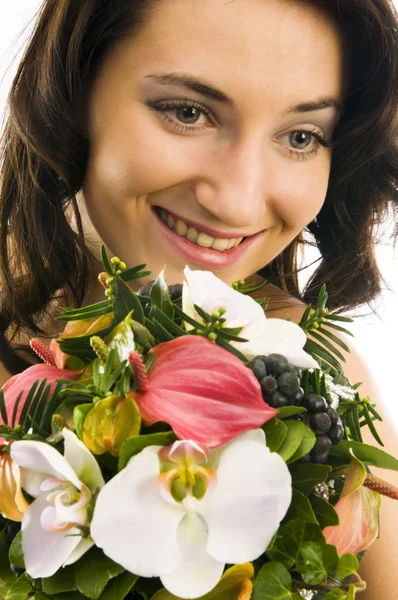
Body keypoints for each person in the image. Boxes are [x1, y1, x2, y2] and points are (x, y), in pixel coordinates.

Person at [0, 0, 397, 597]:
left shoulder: (324, 376)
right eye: (188, 112)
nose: (237, 204)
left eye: (300, 136)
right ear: (72, 91)